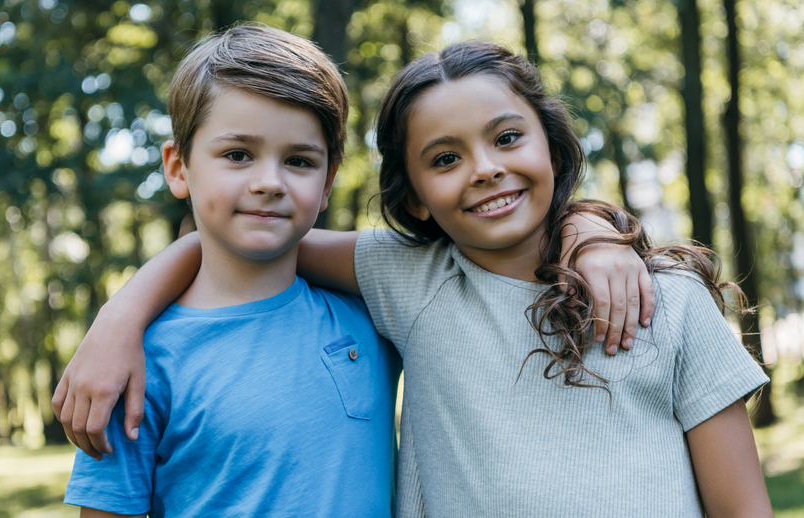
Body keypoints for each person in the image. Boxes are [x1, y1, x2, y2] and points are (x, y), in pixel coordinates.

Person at [56, 41, 768, 517]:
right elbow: (240, 244)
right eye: (444, 157)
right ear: (414, 197)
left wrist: (593, 229)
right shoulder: (410, 282)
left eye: (507, 137)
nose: (485, 167)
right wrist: (119, 320)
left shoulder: (667, 303)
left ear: (551, 146)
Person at [62, 25, 403, 517]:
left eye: (299, 161)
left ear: (328, 182)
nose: (269, 182)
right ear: (179, 168)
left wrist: (562, 220)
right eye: (238, 154)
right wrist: (122, 318)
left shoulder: (374, 313)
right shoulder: (131, 367)